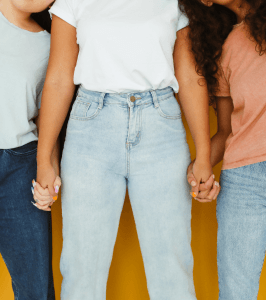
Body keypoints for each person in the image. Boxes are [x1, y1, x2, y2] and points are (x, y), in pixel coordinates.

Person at [35, 0, 220, 299]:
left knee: (172, 263)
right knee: (82, 265)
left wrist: (203, 155)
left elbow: (188, 76)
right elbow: (57, 80)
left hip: (160, 126)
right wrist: (44, 159)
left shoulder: (176, 2)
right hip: (91, 127)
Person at [181, 0, 266, 298]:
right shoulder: (225, 49)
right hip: (245, 180)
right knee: (235, 293)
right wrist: (197, 172)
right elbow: (226, 132)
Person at [0, 0, 60, 299]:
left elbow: (48, 118)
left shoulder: (50, 45)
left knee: (36, 287)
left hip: (20, 168)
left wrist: (51, 172)